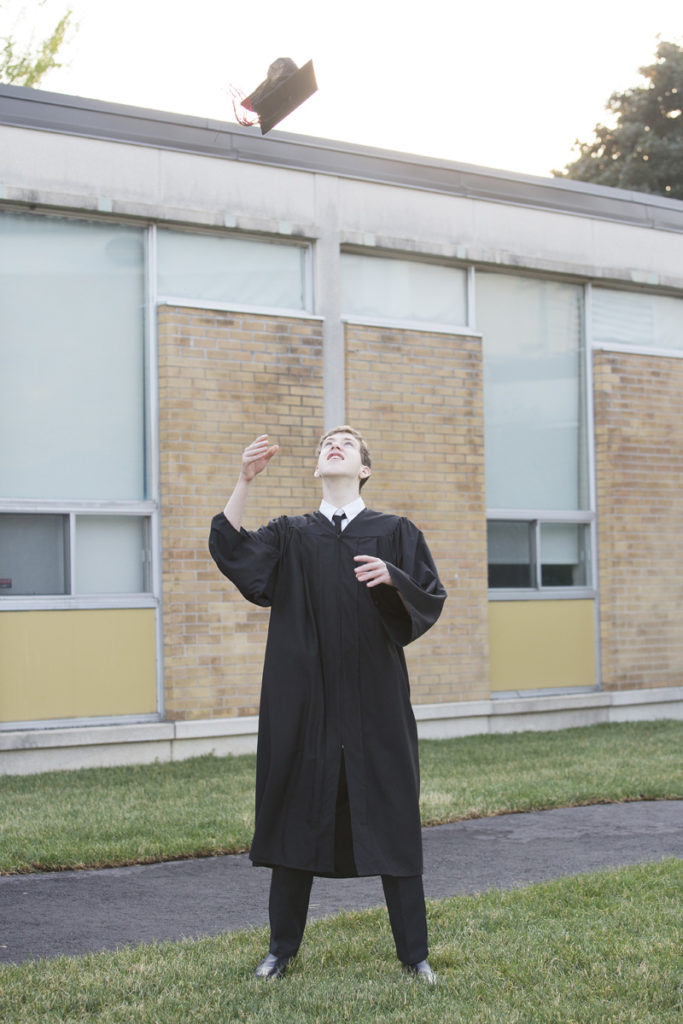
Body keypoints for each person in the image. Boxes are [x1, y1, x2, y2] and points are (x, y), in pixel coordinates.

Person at [209, 427, 447, 982]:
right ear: (317, 468)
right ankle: (280, 949)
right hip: (304, 700)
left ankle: (415, 955)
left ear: (364, 468)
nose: (333, 447)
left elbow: (429, 599)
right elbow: (234, 553)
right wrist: (244, 480)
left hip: (375, 702)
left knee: (391, 814)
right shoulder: (291, 535)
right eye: (325, 445)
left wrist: (393, 578)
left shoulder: (396, 532)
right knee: (297, 809)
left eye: (347, 443)